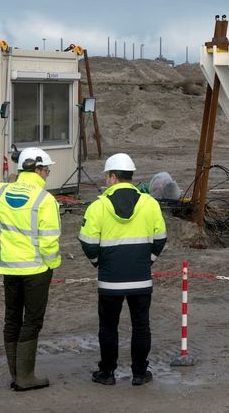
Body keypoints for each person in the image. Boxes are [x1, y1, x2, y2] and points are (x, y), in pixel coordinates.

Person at [0, 147, 61, 392]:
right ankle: (25, 377)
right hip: (36, 270)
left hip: (9, 268)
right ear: (38, 169)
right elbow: (49, 241)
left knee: (12, 317)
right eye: (47, 169)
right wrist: (51, 264)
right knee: (32, 321)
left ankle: (16, 374)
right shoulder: (45, 200)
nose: (48, 174)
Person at [79, 153, 167, 386]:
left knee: (108, 327)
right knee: (141, 326)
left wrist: (99, 263)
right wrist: (148, 260)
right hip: (140, 279)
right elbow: (160, 238)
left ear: (113, 177)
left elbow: (87, 242)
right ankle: (139, 373)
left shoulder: (98, 206)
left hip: (110, 280)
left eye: (107, 176)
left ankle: (107, 373)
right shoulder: (150, 204)